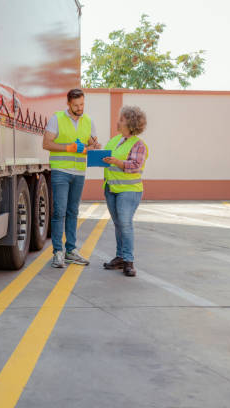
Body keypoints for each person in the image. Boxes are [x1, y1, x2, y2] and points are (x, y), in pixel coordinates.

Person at [43, 88, 100, 268]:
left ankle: (71, 251)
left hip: (79, 173)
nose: (79, 108)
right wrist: (69, 148)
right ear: (68, 103)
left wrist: (94, 146)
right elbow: (46, 143)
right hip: (61, 171)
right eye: (76, 105)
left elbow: (93, 144)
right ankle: (58, 253)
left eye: (82, 104)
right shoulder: (57, 118)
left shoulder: (89, 122)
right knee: (59, 211)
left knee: (73, 212)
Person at [101, 106, 149, 277]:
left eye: (121, 119)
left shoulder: (138, 144)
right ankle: (120, 257)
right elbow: (107, 157)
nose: (118, 121)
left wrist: (116, 162)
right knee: (118, 224)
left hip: (129, 191)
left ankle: (128, 261)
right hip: (112, 188)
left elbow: (134, 165)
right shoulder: (115, 140)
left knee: (125, 224)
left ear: (130, 123)